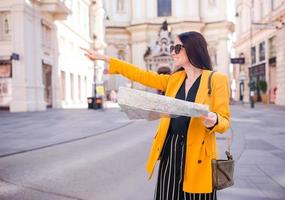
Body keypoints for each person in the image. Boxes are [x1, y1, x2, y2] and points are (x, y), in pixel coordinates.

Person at [82, 31, 230, 200]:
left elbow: (224, 121)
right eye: (171, 47)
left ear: (193, 49)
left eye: (177, 48)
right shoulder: (174, 79)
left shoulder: (216, 79)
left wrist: (214, 120)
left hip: (198, 157)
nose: (172, 52)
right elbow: (141, 75)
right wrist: (106, 59)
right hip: (170, 151)